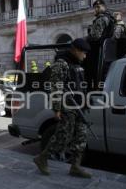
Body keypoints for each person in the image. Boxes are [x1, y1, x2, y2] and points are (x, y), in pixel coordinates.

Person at [33, 38, 92, 178]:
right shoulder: (62, 64)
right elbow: (56, 88)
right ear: (76, 50)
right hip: (68, 107)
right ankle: (42, 158)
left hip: (79, 106)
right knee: (63, 137)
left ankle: (75, 166)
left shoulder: (77, 64)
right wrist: (57, 108)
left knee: (81, 137)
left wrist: (86, 101)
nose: (85, 55)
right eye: (83, 52)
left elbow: (80, 85)